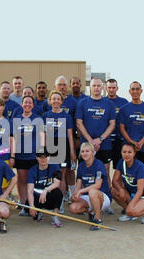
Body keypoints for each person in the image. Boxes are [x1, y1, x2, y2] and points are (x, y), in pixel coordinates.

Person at [76, 78, 116, 182]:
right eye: (94, 86)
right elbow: (79, 123)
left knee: (105, 172)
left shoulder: (109, 104)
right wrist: (90, 141)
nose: (96, 88)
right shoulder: (82, 103)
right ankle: (83, 195)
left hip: (104, 144)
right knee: (85, 172)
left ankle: (106, 195)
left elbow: (112, 124)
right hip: (86, 144)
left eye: (98, 86)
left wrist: (100, 139)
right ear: (90, 87)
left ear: (102, 87)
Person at [11, 96, 45, 216]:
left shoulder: (38, 119)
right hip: (21, 156)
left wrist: (42, 153)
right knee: (22, 180)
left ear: (33, 105)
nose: (27, 104)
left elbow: (42, 136)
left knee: (35, 180)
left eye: (30, 102)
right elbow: (13, 139)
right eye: (25, 102)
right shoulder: (16, 119)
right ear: (21, 104)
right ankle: (24, 204)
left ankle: (36, 205)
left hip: (34, 156)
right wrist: (13, 155)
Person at [43, 90, 76, 211]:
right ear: (50, 101)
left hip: (63, 146)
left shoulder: (66, 116)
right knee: (51, 175)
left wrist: (72, 152)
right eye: (54, 98)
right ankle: (50, 201)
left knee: (61, 175)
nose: (56, 101)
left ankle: (60, 203)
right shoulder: (46, 115)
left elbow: (70, 135)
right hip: (50, 147)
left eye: (58, 99)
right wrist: (44, 150)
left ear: (62, 101)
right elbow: (45, 134)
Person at [111, 143, 144, 224]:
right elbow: (114, 181)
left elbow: (140, 190)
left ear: (134, 153)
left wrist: (131, 205)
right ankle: (130, 213)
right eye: (124, 152)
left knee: (130, 210)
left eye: (129, 152)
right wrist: (120, 189)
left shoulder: (140, 166)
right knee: (113, 191)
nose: (126, 154)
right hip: (132, 193)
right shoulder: (121, 163)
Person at [69, 142, 112, 231]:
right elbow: (79, 182)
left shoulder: (98, 164)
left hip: (103, 197)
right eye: (83, 151)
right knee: (73, 208)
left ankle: (98, 220)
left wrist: (81, 191)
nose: (85, 153)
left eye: (87, 151)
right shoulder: (81, 166)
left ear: (93, 152)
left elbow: (98, 185)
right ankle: (92, 212)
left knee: (92, 191)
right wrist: (75, 193)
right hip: (89, 196)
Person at [118, 81, 144, 166]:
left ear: (141, 91)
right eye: (133, 89)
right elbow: (122, 128)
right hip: (128, 148)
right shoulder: (123, 109)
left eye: (137, 89)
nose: (135, 91)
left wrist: (141, 143)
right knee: (129, 174)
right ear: (129, 91)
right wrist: (131, 142)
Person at [55, 75, 78, 206]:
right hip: (53, 145)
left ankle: (72, 192)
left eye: (64, 85)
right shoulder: (50, 104)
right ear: (55, 87)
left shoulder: (73, 102)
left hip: (69, 141)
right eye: (60, 85)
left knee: (70, 170)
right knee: (56, 171)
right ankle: (59, 197)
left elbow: (75, 124)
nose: (62, 87)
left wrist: (75, 143)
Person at [27, 150, 64, 228]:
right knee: (30, 210)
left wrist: (46, 190)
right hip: (37, 196)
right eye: (40, 157)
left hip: (49, 194)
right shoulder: (32, 170)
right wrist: (31, 206)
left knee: (58, 193)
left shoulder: (55, 166)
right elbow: (30, 190)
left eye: (45, 157)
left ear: (49, 157)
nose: (43, 159)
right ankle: (39, 211)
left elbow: (57, 183)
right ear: (36, 158)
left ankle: (55, 215)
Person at [105, 79, 129, 171]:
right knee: (105, 168)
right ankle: (108, 185)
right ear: (106, 88)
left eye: (113, 87)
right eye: (109, 87)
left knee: (120, 169)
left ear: (117, 88)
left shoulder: (124, 102)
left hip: (120, 140)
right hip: (106, 140)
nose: (111, 90)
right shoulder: (102, 101)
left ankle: (117, 185)